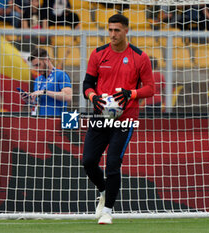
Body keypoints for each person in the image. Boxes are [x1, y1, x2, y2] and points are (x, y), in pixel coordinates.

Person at [82, 14, 155, 224]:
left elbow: (150, 88)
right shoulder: (98, 54)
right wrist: (93, 96)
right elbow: (87, 84)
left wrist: (131, 94)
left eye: (117, 30)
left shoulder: (139, 57)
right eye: (110, 30)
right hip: (100, 116)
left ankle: (107, 210)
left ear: (126, 31)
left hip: (125, 118)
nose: (113, 34)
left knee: (113, 162)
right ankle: (104, 190)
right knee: (88, 162)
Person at [23, 47, 72, 116]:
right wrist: (29, 100)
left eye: (38, 65)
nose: (36, 69)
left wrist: (45, 92)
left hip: (55, 120)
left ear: (46, 60)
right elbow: (37, 103)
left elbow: (68, 96)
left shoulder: (60, 74)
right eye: (34, 66)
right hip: (39, 120)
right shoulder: (38, 79)